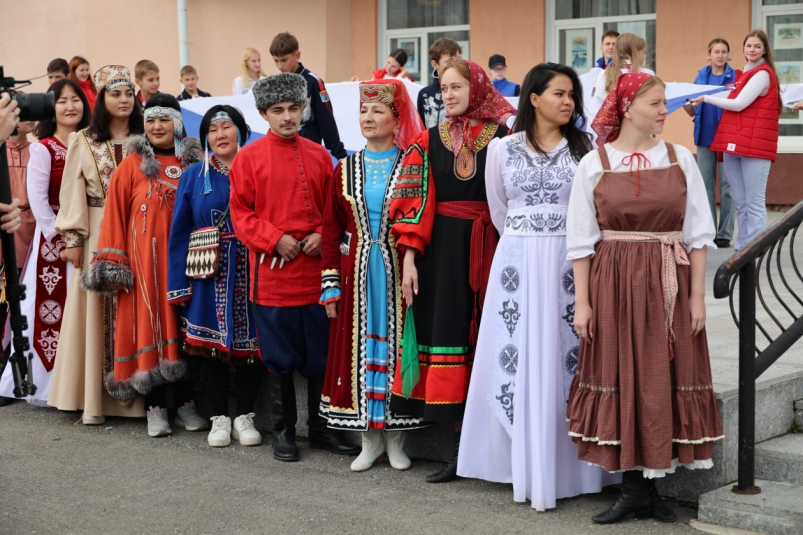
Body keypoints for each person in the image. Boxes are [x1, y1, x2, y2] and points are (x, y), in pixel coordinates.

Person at [457, 62, 620, 509]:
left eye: (571, 95)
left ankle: (577, 470)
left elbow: (595, 211)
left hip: (571, 263)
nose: (568, 102)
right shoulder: (502, 150)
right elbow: (499, 211)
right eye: (558, 94)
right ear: (533, 97)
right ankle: (523, 465)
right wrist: (528, 244)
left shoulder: (587, 149)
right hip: (517, 265)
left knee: (568, 353)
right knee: (522, 354)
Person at [567, 72, 724, 524]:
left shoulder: (680, 158)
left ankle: (651, 490)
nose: (663, 111)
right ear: (628, 106)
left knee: (663, 372)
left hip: (668, 278)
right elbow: (580, 241)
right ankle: (633, 491)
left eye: (664, 104)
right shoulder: (595, 163)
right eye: (656, 103)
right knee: (623, 370)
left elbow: (697, 237)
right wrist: (583, 303)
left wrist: (697, 299)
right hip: (613, 282)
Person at [389, 59, 515, 483]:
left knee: (485, 335)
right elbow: (414, 200)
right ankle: (458, 448)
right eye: (443, 89)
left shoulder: (505, 138)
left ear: (477, 87)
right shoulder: (426, 141)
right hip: (440, 255)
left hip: (490, 245)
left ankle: (484, 447)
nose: (449, 95)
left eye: (457, 86)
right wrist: (409, 256)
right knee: (449, 335)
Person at [229, 73, 359, 461]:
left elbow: (337, 211)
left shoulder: (321, 156)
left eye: (293, 108)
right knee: (280, 358)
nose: (287, 116)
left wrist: (323, 232)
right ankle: (284, 432)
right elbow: (241, 214)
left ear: (304, 110)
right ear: (263, 114)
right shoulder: (248, 158)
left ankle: (320, 431)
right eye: (278, 110)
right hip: (273, 277)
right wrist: (274, 239)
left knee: (321, 355)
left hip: (317, 273)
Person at [82, 94, 205, 437]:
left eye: (164, 119)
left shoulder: (194, 165)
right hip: (145, 268)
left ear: (177, 123)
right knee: (151, 327)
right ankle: (155, 407)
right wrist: (115, 264)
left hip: (186, 265)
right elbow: (114, 217)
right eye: (150, 120)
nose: (156, 126)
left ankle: (184, 404)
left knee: (185, 331)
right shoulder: (131, 165)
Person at [319, 79, 426, 472]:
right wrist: (330, 282)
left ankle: (397, 440)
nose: (368, 117)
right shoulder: (344, 168)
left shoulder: (412, 163)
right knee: (361, 352)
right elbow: (331, 229)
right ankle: (369, 439)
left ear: (397, 120)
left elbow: (420, 219)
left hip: (400, 272)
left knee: (397, 348)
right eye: (363, 111)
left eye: (378, 111)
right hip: (357, 273)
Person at [48, 65, 146, 425]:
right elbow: (70, 190)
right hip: (96, 233)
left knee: (134, 307)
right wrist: (72, 238)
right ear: (102, 99)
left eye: (128, 93)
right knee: (94, 311)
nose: (123, 100)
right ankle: (91, 400)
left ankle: (138, 402)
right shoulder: (84, 140)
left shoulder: (146, 138)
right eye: (114, 93)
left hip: (138, 232)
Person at [167, 105, 263, 448]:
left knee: (254, 344)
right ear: (205, 137)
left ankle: (245, 416)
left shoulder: (257, 167)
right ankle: (220, 417)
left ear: (240, 130)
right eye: (212, 130)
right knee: (208, 346)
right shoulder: (194, 176)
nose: (220, 135)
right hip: (208, 270)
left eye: (227, 126)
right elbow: (179, 231)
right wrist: (178, 284)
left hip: (254, 266)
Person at [0, 79, 91, 405]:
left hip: (91, 236)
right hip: (54, 241)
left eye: (76, 99)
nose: (70, 106)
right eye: (62, 100)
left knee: (83, 313)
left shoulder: (93, 144)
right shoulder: (43, 148)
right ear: (51, 109)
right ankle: (40, 385)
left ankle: (80, 385)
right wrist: (64, 236)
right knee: (47, 315)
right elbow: (38, 201)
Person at [690, 29, 782, 251]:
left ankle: (756, 252)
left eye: (757, 46)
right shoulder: (743, 74)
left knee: (754, 204)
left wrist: (706, 98)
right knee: (741, 203)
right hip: (735, 144)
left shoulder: (762, 73)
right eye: (749, 46)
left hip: (755, 147)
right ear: (743, 49)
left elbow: (739, 104)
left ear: (765, 50)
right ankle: (742, 249)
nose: (752, 50)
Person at [683, 38, 738, 249]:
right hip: (704, 137)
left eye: (724, 51)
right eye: (716, 51)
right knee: (704, 185)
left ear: (728, 55)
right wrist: (683, 103)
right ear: (709, 54)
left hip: (727, 137)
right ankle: (710, 231)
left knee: (727, 186)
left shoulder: (733, 76)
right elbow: (692, 108)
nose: (720, 55)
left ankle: (724, 234)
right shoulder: (701, 76)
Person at [270, 32, 348, 160]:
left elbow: (326, 121)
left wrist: (341, 156)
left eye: (284, 60)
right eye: (275, 60)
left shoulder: (314, 82)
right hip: (282, 154)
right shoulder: (276, 84)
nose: (280, 65)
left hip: (308, 154)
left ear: (297, 56)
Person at [587, 33, 654, 144]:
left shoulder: (603, 74)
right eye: (644, 52)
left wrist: (593, 141)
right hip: (641, 132)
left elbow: (595, 109)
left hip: (610, 135)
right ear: (635, 52)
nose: (644, 56)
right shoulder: (647, 74)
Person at [4, 118, 36, 270]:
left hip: (31, 227)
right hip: (5, 223)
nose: (32, 118)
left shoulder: (37, 151)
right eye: (24, 113)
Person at [417, 38, 462, 128]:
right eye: (449, 62)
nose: (456, 65)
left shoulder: (466, 88)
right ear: (435, 64)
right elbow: (421, 127)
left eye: (458, 60)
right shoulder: (425, 94)